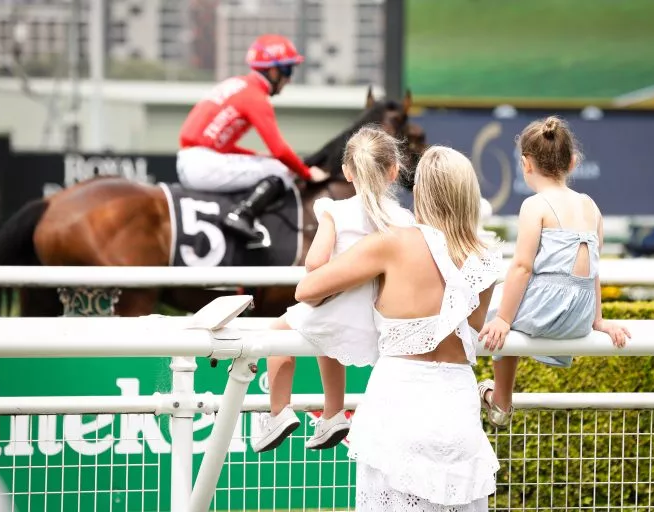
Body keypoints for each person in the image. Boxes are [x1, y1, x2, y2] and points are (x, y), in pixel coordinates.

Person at [295, 145, 501, 510]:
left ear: (420, 191)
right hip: (458, 405)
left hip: (399, 402)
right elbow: (472, 329)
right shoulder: (486, 259)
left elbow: (307, 290)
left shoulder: (391, 242)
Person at [253, 125, 415, 453]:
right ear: (395, 170)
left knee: (277, 338)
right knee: (330, 347)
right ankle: (333, 413)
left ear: (347, 172)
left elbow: (314, 263)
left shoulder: (336, 211)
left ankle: (279, 411)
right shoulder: (403, 218)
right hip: (375, 317)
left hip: (332, 306)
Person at [477, 116, 631, 428]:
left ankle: (501, 402)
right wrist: (597, 320)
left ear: (525, 164)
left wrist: (504, 320)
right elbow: (593, 269)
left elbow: (521, 266)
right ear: (573, 162)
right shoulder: (591, 206)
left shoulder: (535, 205)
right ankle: (499, 398)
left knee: (489, 312)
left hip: (548, 311)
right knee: (504, 309)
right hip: (580, 317)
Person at [176, 34, 330, 241]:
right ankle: (242, 215)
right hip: (202, 165)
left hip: (192, 160)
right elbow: (280, 150)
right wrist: (306, 173)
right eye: (288, 70)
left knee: (272, 163)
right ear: (274, 71)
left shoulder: (237, 84)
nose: (289, 79)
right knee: (281, 171)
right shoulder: (256, 97)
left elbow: (218, 144)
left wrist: (258, 156)